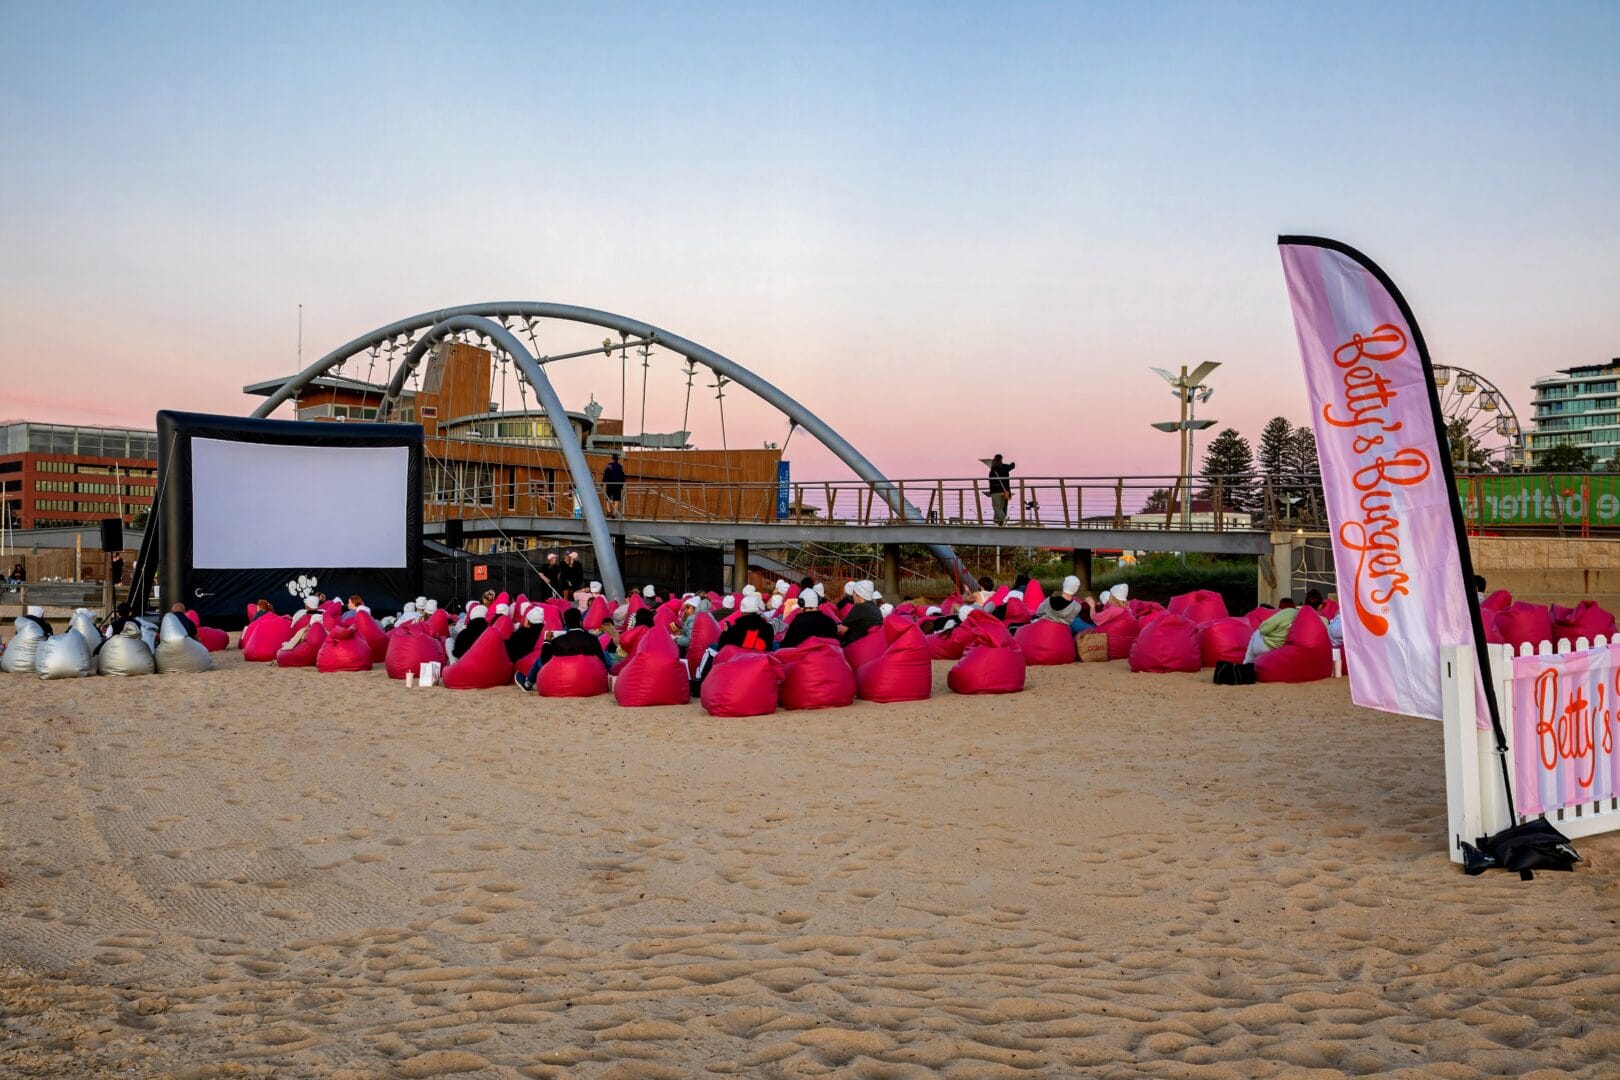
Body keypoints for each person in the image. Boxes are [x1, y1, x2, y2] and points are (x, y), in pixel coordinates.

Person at [515, 607, 610, 689]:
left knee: (540, 660)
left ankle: (528, 683)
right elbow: (601, 660)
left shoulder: (558, 640)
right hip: (590, 678)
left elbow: (545, 660)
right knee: (606, 655)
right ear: (581, 622)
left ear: (566, 624)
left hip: (566, 677)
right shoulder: (592, 639)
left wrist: (547, 642)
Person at [987, 454, 1015, 525]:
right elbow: (1012, 467)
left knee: (996, 507)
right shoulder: (1005, 468)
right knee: (1000, 508)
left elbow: (991, 482)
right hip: (1004, 491)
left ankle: (1003, 517)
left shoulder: (992, 471)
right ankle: (997, 522)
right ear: (1001, 460)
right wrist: (1012, 464)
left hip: (995, 492)